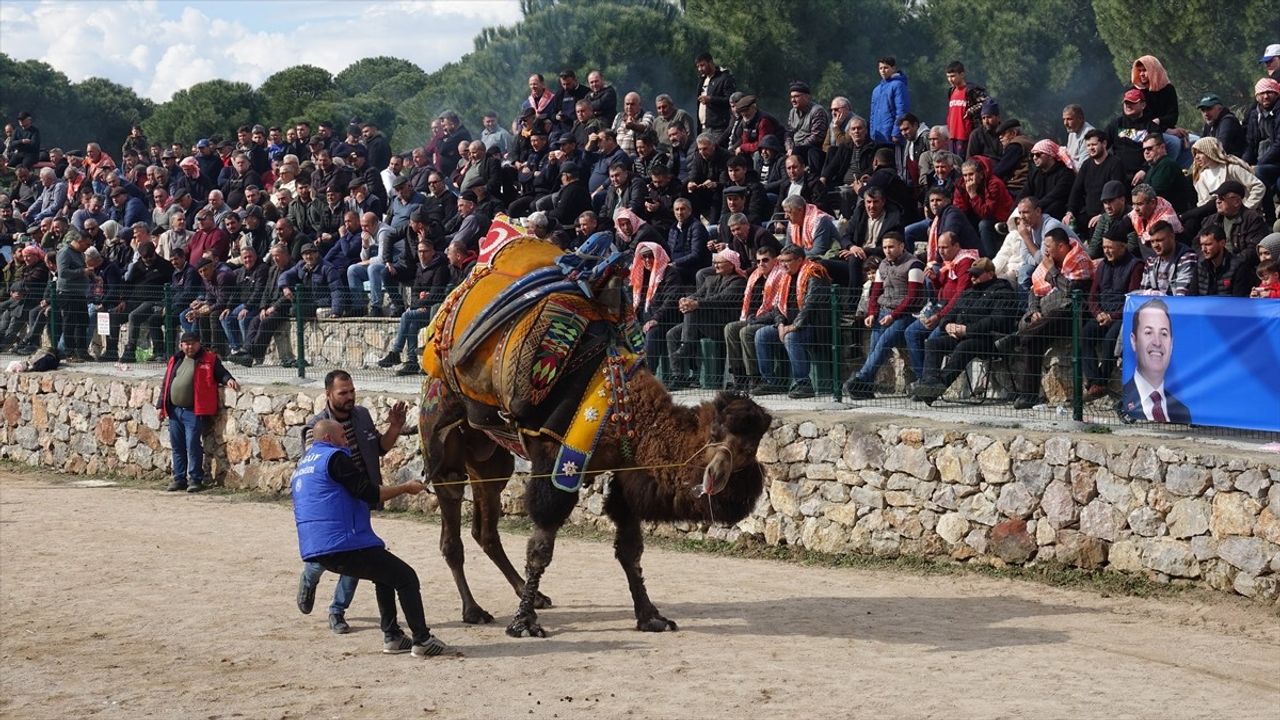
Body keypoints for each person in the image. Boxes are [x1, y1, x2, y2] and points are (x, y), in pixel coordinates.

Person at [291, 418, 448, 657]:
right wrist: (405, 487)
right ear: (328, 439)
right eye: (343, 437)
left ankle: (393, 637)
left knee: (384, 575)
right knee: (406, 577)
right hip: (344, 543)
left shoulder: (303, 466)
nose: (347, 442)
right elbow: (369, 493)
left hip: (317, 548)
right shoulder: (335, 458)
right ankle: (422, 640)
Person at [297, 370, 411, 636]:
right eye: (342, 393)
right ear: (328, 395)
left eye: (351, 391)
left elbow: (379, 448)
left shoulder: (361, 415)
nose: (349, 397)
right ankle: (309, 577)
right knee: (327, 556)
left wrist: (394, 427)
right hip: (333, 508)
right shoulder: (318, 428)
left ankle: (337, 611)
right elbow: (315, 470)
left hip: (360, 498)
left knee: (360, 554)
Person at [910, 258, 1019, 404]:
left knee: (965, 346)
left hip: (990, 339)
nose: (973, 278)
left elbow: (998, 320)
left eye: (977, 274)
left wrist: (967, 330)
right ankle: (929, 385)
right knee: (933, 343)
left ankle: (934, 389)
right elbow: (950, 314)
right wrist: (948, 325)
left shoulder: (1003, 292)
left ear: (990, 274)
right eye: (971, 274)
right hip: (961, 336)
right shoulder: (969, 292)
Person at [1008, 228, 1093, 409]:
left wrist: (1051, 271)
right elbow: (1034, 290)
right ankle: (1028, 396)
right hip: (1048, 316)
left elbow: (1070, 290)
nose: (1044, 250)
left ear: (1061, 246)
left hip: (1074, 316)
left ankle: (1015, 338)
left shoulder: (1080, 261)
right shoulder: (1049, 262)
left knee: (1057, 315)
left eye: (1048, 246)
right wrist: (1033, 310)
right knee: (1034, 339)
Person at [843, 232, 925, 400]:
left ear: (901, 246)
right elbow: (875, 292)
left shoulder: (914, 265)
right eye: (885, 247)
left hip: (905, 314)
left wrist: (894, 316)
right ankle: (866, 386)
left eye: (891, 247)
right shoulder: (883, 265)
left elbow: (913, 296)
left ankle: (861, 379)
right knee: (874, 347)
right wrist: (872, 313)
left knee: (883, 343)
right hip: (884, 311)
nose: (887, 251)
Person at [158, 331, 240, 493]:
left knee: (192, 445)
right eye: (186, 344)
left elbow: (221, 373)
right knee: (177, 446)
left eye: (193, 343)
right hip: (174, 411)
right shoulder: (175, 359)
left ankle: (195, 479)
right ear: (181, 345)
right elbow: (166, 383)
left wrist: (229, 379)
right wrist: (160, 405)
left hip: (194, 411)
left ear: (198, 344)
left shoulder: (209, 359)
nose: (189, 347)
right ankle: (179, 479)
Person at [752, 244, 830, 399]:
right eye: (781, 261)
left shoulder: (814, 273)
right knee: (761, 334)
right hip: (788, 324)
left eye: (787, 261)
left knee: (791, 337)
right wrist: (781, 324)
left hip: (813, 326)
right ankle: (771, 381)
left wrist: (794, 326)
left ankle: (803, 384)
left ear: (799, 260)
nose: (783, 265)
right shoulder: (785, 277)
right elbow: (777, 307)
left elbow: (810, 305)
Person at [665, 248, 747, 389]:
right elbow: (698, 294)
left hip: (722, 325)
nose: (715, 265)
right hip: (703, 324)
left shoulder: (738, 282)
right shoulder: (711, 279)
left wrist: (696, 304)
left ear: (731, 264)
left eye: (719, 263)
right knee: (672, 334)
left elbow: (721, 299)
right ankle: (678, 375)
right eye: (714, 262)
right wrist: (686, 300)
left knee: (693, 311)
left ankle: (687, 345)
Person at [1081, 234, 1143, 400]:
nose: (1106, 251)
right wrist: (1098, 313)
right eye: (1104, 247)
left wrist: (1112, 316)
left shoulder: (1135, 266)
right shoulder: (1102, 266)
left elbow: (1132, 298)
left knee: (1110, 341)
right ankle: (1095, 381)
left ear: (1122, 246)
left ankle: (1100, 382)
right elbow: (1093, 295)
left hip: (1122, 316)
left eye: (1110, 247)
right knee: (1084, 335)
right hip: (1102, 314)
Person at [1122, 299, 1191, 424]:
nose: (1157, 342)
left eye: (1164, 334)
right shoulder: (1124, 402)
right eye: (1148, 332)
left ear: (1171, 344)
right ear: (1133, 340)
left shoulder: (1183, 411)